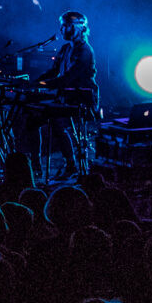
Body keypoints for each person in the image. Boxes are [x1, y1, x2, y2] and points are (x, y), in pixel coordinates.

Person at [24, 10, 98, 178]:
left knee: (56, 119)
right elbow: (54, 71)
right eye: (62, 26)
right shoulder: (65, 49)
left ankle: (71, 164)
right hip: (66, 97)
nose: (62, 29)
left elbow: (68, 78)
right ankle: (35, 165)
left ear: (79, 27)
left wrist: (41, 85)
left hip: (81, 98)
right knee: (32, 120)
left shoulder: (85, 51)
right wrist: (35, 82)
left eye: (66, 25)